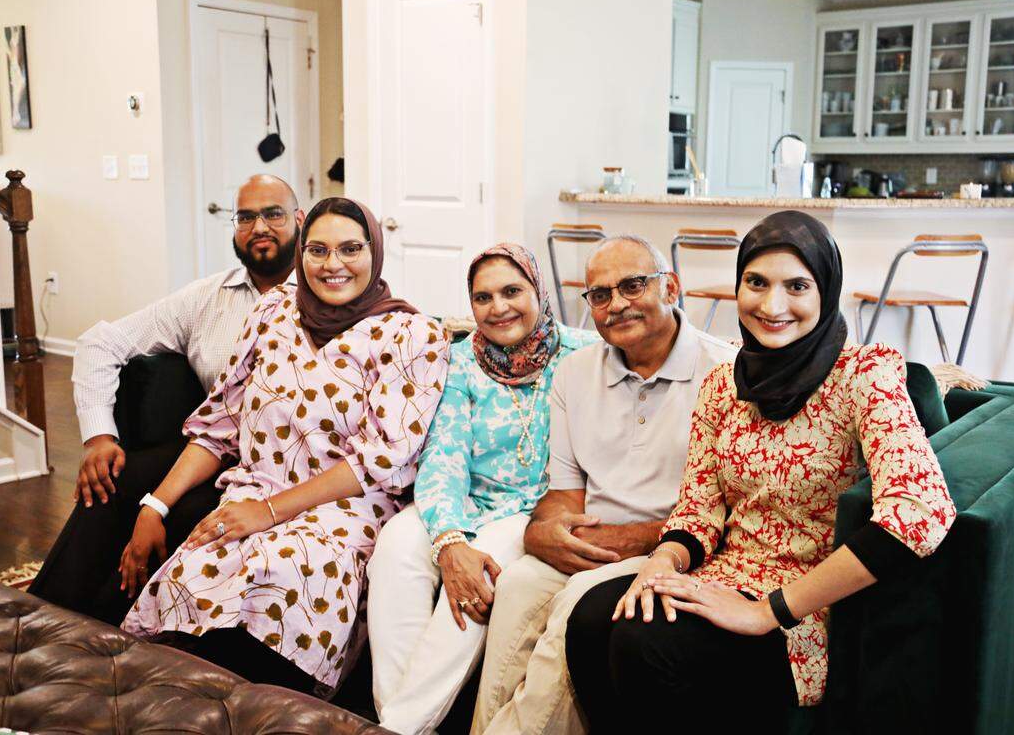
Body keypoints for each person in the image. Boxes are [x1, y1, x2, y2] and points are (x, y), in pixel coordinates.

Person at [564, 211, 958, 731]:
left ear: (826, 291)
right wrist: (664, 560)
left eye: (797, 285)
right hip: (723, 578)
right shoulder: (724, 381)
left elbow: (919, 512)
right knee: (593, 618)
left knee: (646, 642)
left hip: (810, 608)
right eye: (756, 282)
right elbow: (699, 507)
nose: (773, 306)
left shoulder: (867, 374)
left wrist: (768, 611)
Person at [118, 197, 449, 696]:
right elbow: (219, 424)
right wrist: (155, 506)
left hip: (344, 512)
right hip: (249, 498)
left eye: (350, 249)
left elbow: (383, 459)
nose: (333, 264)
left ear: (375, 252)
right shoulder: (273, 312)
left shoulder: (411, 334)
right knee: (191, 588)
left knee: (289, 574)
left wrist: (268, 513)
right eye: (318, 250)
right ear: (302, 253)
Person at [473, 235, 737, 735]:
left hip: (675, 549)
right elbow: (565, 493)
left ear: (671, 287)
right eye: (599, 295)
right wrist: (542, 532)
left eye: (633, 286)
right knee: (516, 585)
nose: (616, 304)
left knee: (573, 610)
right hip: (594, 541)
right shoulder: (574, 373)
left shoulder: (725, 373)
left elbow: (725, 512)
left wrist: (630, 540)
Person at [30, 174, 303, 624]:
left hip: (280, 467)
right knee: (110, 479)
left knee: (179, 515)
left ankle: (115, 632)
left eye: (273, 214)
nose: (260, 228)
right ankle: (45, 618)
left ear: (299, 220)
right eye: (246, 217)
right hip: (210, 450)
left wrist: (157, 503)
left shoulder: (328, 295)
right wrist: (99, 436)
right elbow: (102, 341)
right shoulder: (207, 298)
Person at [366, 244, 596, 734]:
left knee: (484, 572)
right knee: (395, 547)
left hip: (535, 512)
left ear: (538, 290)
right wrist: (449, 538)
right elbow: (443, 455)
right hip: (467, 501)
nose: (499, 307)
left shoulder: (584, 355)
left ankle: (397, 728)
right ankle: (395, 714)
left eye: (512, 291)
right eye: (483, 297)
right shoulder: (460, 362)